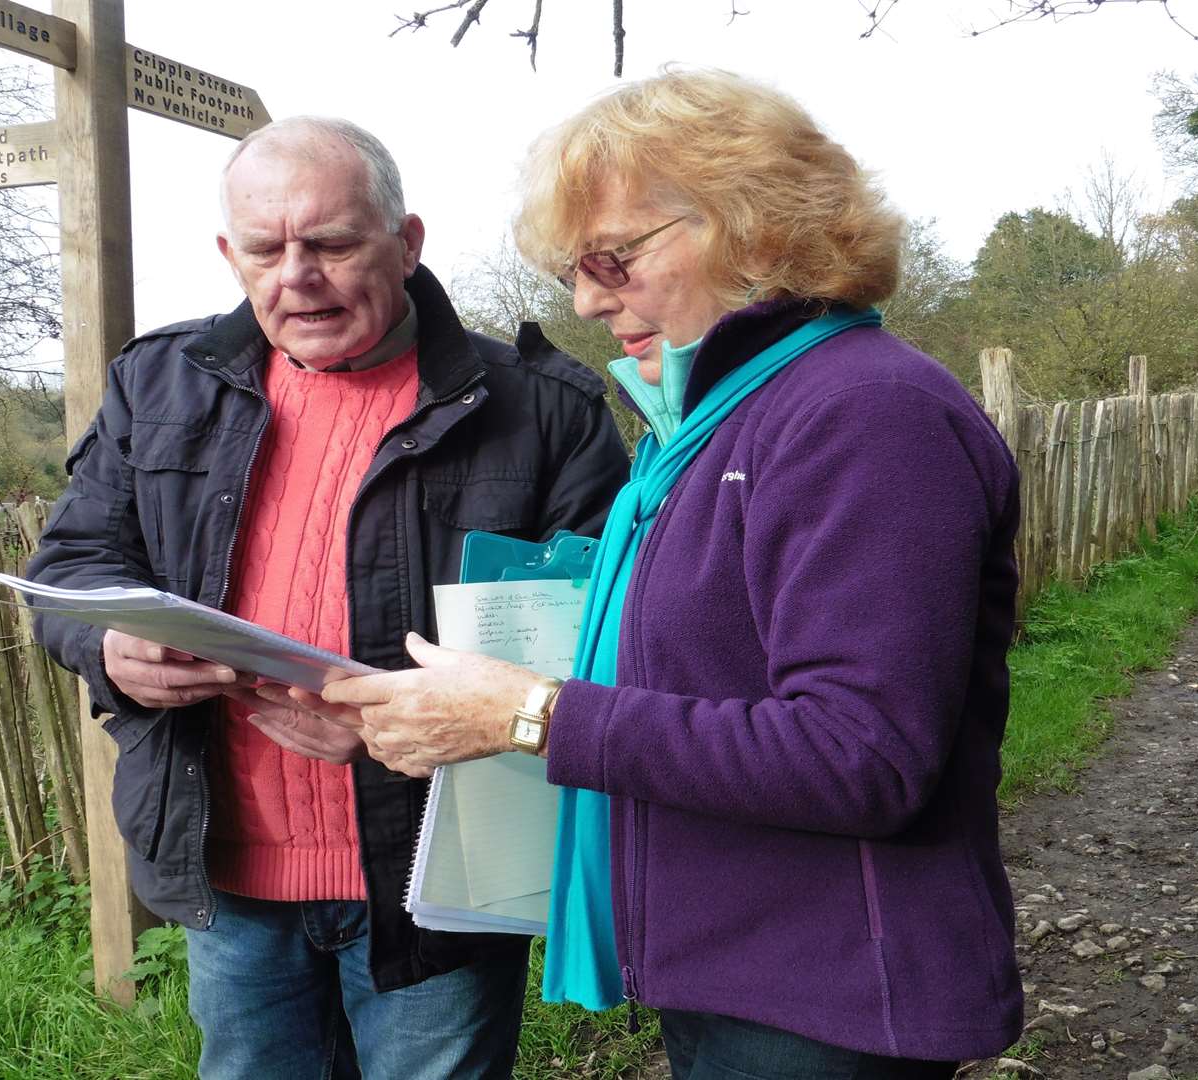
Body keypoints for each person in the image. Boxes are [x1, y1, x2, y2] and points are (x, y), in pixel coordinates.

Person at [278, 70, 1026, 1077]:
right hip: (742, 969)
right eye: (571, 271)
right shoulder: (717, 423)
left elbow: (864, 753)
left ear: (754, 226)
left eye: (613, 258)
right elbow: (677, 678)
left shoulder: (863, 416)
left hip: (827, 999)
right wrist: (418, 714)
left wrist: (529, 717)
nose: (588, 299)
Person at [26, 116, 630, 1080]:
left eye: (333, 243)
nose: (295, 277)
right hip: (230, 874)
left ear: (408, 242)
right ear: (232, 255)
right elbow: (73, 566)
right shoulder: (160, 384)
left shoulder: (540, 409)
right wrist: (108, 648)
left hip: (436, 876)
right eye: (264, 250)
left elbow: (606, 639)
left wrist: (413, 720)